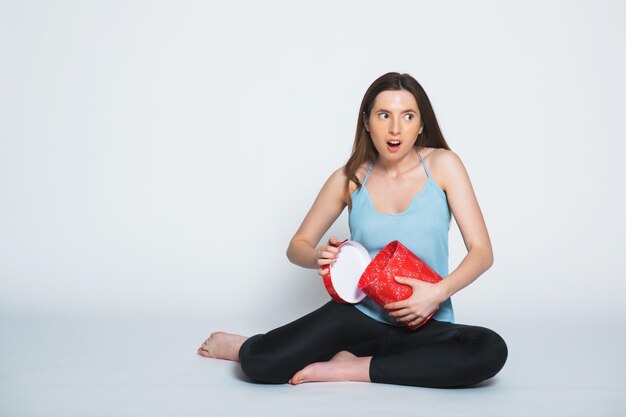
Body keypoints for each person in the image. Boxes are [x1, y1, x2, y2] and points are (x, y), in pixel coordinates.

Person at [197, 72, 508, 388]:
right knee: (260, 365)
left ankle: (349, 368)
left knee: (489, 350)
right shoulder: (348, 178)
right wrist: (318, 255)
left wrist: (437, 294)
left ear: (421, 123)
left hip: (424, 320)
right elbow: (297, 246)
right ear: (367, 121)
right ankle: (245, 345)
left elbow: (482, 252)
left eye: (408, 116)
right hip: (358, 316)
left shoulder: (444, 165)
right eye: (384, 115)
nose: (395, 128)